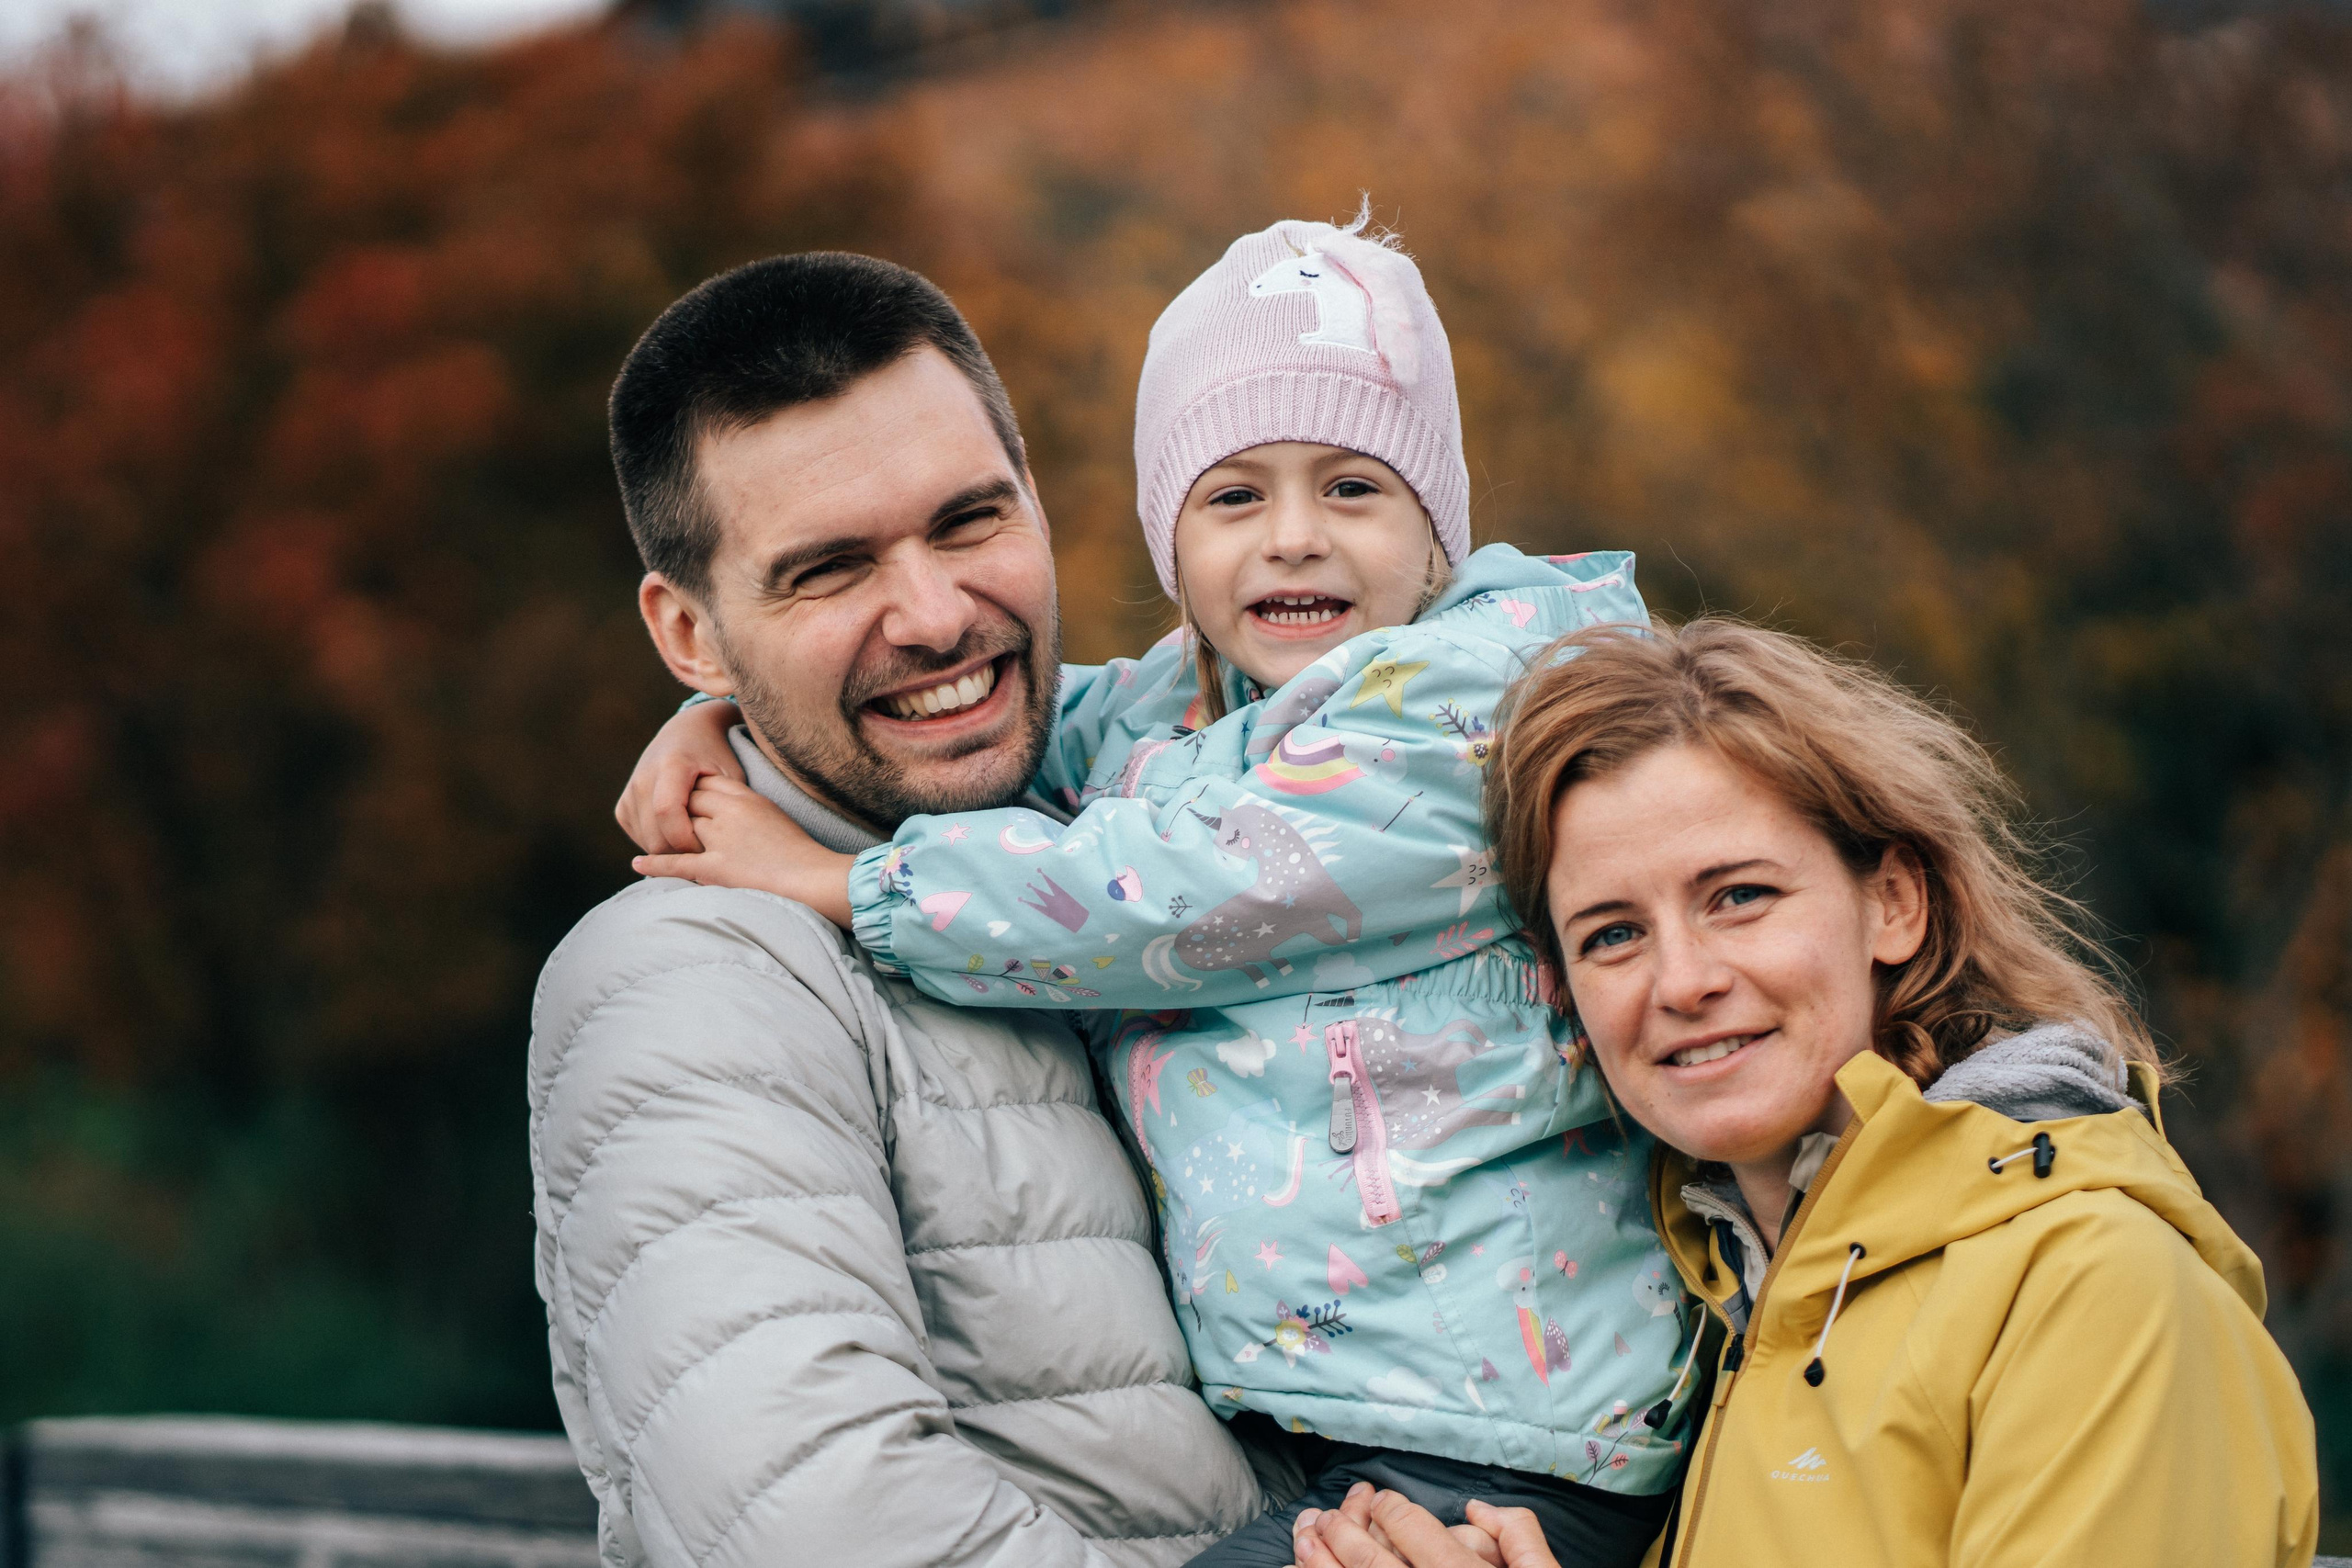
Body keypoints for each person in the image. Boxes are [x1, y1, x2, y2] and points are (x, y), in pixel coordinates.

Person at [623, 211, 1696, 1568]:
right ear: (1169, 544)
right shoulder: (1180, 718)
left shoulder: (1466, 717)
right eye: (1236, 497)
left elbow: (1169, 890)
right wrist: (718, 724)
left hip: (1508, 1426)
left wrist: (849, 882)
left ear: (1439, 533)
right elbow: (960, 712)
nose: (1296, 538)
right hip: (1336, 1409)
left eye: (1356, 489)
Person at [531, 252, 1298, 1568]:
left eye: (968, 522)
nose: (939, 616)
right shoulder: (697, 981)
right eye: (828, 570)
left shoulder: (1155, 840)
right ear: (690, 637)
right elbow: (825, 1528)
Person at [1285, 616, 2322, 1568]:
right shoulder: (1700, 1322)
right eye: (1612, 935)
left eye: (1738, 896)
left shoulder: (2094, 1288)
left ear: (1894, 904)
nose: (1682, 980)